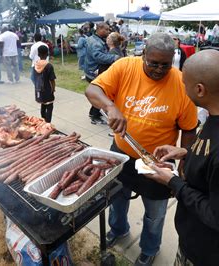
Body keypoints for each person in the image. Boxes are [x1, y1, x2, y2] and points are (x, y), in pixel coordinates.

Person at [85, 32, 198, 266]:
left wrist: (186, 163)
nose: (158, 69)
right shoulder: (125, 67)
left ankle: (149, 247)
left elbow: (189, 129)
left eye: (165, 65)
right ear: (143, 54)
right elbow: (92, 90)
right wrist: (110, 106)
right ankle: (118, 229)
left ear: (173, 59)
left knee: (155, 213)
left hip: (157, 163)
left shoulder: (180, 83)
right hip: (121, 152)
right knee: (117, 198)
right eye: (153, 63)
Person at [146, 49, 219, 266]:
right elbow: (213, 156)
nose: (182, 87)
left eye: (184, 83)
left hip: (208, 252)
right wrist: (187, 152)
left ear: (199, 90)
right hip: (194, 238)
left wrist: (173, 182)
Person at [84, 22, 120, 125]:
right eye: (106, 30)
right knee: (100, 95)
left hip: (92, 70)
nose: (108, 32)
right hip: (94, 72)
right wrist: (114, 58)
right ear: (99, 29)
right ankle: (94, 116)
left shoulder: (95, 39)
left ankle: (94, 113)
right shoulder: (95, 42)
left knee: (100, 94)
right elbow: (98, 56)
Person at [33, 45, 56, 123]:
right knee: (49, 106)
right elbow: (52, 80)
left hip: (39, 89)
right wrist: (53, 89)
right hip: (47, 89)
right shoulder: (49, 66)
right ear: (47, 54)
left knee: (43, 105)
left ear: (38, 54)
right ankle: (48, 123)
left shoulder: (35, 65)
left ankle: (43, 120)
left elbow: (33, 78)